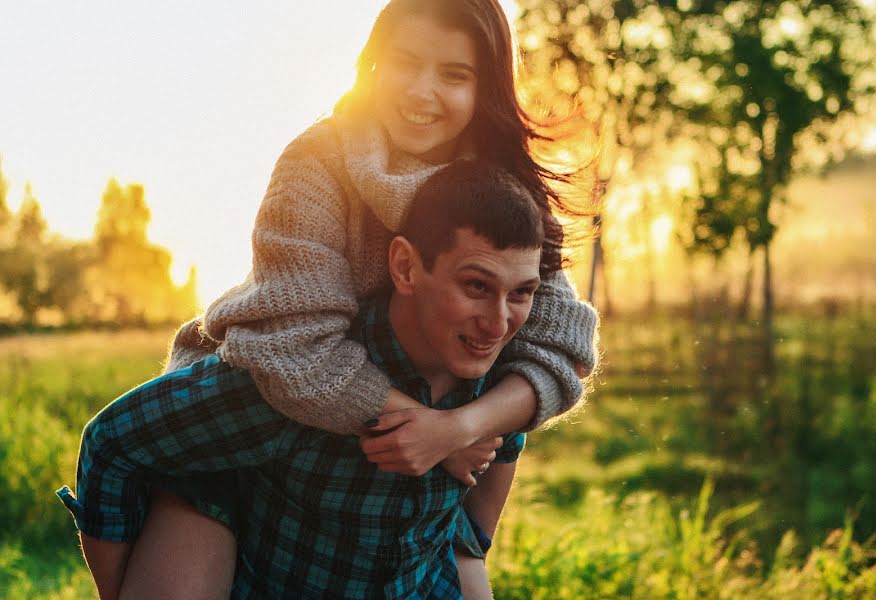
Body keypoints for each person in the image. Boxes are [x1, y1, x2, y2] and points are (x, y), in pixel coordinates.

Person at [61, 0, 597, 596]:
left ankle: (455, 546)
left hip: (414, 418)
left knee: (463, 541)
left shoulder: (502, 192)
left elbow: (558, 343)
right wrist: (423, 428)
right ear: (371, 65)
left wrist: (455, 429)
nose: (423, 91)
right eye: (405, 63)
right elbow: (299, 353)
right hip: (268, 395)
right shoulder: (321, 160)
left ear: (485, 87)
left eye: (455, 74)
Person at [61, 161, 547, 598]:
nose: (498, 323)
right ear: (404, 267)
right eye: (476, 286)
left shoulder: (497, 376)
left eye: (521, 293)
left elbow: (483, 505)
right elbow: (112, 442)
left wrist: (468, 559)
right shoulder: (300, 376)